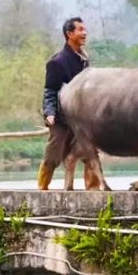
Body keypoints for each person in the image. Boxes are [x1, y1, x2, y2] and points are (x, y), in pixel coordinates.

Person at [37, 16, 89, 190]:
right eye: (80, 30)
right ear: (69, 34)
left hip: (80, 118)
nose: (84, 33)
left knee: (90, 152)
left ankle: (94, 190)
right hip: (61, 117)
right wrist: (49, 113)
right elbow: (50, 91)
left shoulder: (84, 61)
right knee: (54, 153)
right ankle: (42, 189)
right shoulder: (57, 62)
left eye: (84, 29)